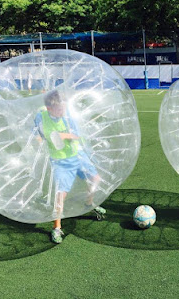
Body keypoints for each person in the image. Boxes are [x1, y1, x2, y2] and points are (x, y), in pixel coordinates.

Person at [34, 90, 106, 243]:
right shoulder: (41, 116)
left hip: (77, 156)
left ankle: (89, 203)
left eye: (64, 108)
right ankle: (57, 228)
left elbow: (77, 136)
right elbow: (36, 132)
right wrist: (39, 141)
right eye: (59, 109)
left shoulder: (67, 118)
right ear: (49, 109)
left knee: (95, 179)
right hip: (60, 162)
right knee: (60, 195)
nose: (63, 111)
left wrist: (63, 136)